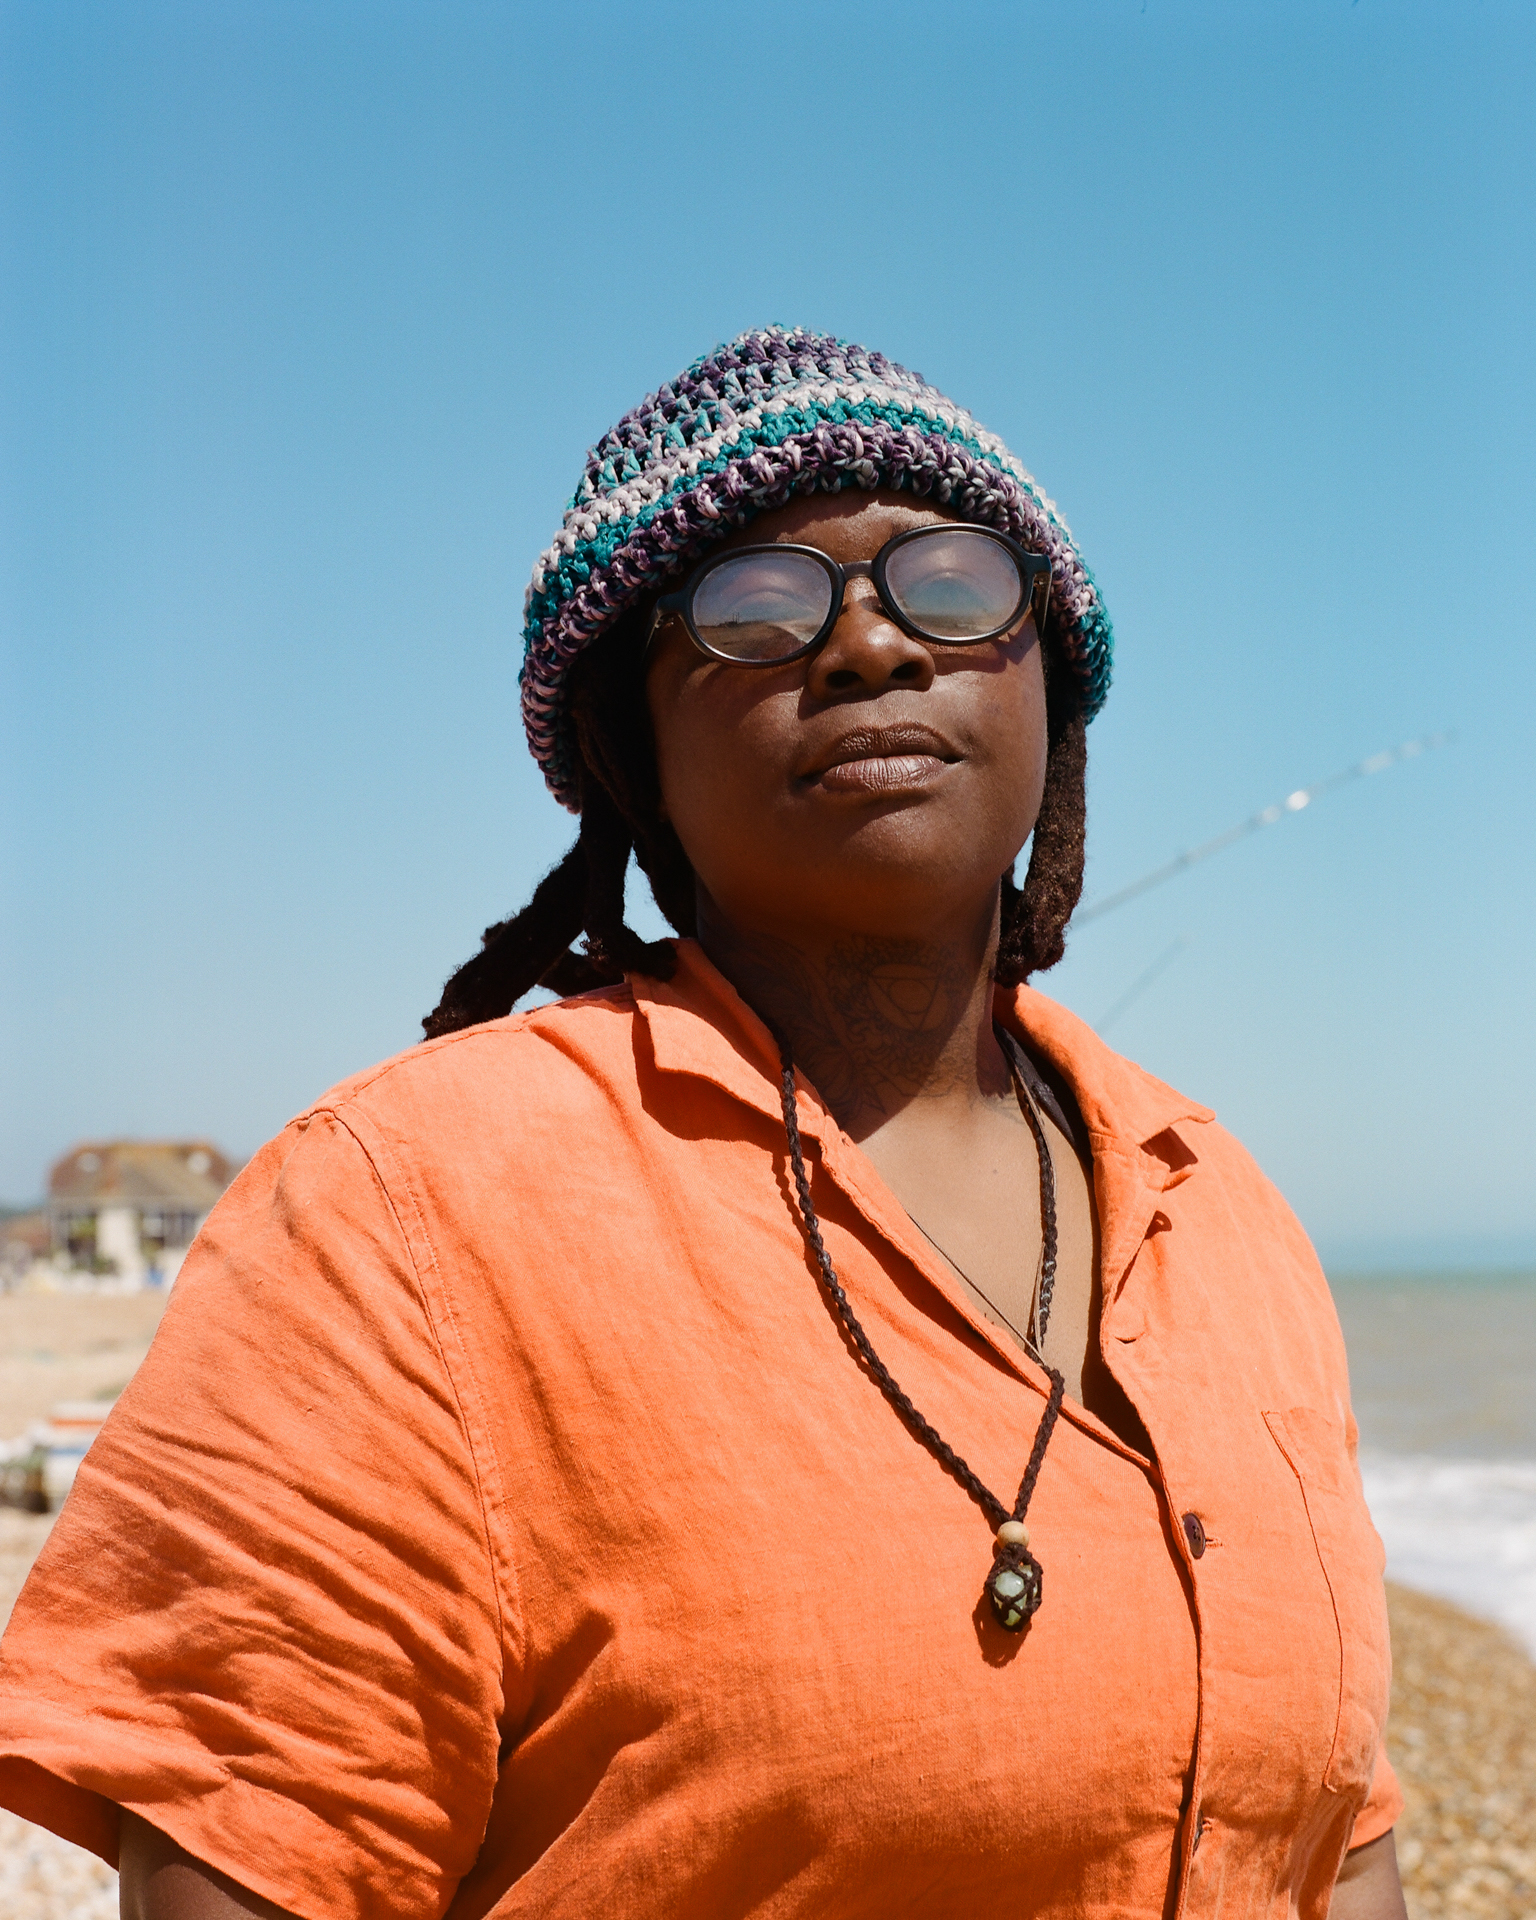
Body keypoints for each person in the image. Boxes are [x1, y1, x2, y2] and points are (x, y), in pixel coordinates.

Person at [0, 326, 1407, 1919]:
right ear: (632, 749)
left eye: (951, 584)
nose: (871, 645)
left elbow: (1340, 1832)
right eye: (754, 609)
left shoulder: (1221, 1208)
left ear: (1052, 678)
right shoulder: (408, 1214)